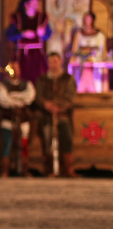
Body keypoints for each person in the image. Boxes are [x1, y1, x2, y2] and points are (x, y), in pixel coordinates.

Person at [34, 50, 78, 178]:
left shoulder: (68, 79)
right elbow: (38, 96)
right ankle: (50, 169)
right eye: (51, 61)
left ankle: (68, 169)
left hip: (62, 115)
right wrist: (46, 105)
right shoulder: (42, 79)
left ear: (60, 62)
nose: (53, 64)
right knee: (48, 141)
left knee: (67, 139)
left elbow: (71, 97)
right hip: (46, 116)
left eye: (55, 61)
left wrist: (57, 106)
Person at [0, 60, 35, 177]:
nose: (15, 71)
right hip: (8, 119)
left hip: (23, 120)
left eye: (17, 68)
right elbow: (3, 99)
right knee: (7, 145)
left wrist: (13, 98)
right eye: (12, 68)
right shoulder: (2, 85)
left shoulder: (26, 84)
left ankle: (23, 170)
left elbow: (29, 97)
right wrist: (18, 101)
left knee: (23, 145)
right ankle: (5, 171)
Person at [6, 0, 51, 87]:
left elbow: (48, 35)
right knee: (21, 78)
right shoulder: (17, 18)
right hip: (22, 55)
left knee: (39, 78)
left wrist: (42, 34)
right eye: (33, 2)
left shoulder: (42, 18)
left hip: (37, 55)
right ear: (26, 4)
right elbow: (9, 36)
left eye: (37, 2)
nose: (36, 5)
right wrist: (22, 34)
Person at [70, 11, 107, 93]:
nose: (87, 21)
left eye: (89, 19)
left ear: (93, 20)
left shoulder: (100, 35)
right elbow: (74, 50)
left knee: (96, 86)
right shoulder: (79, 34)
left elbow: (103, 51)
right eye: (86, 19)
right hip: (81, 63)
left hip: (95, 63)